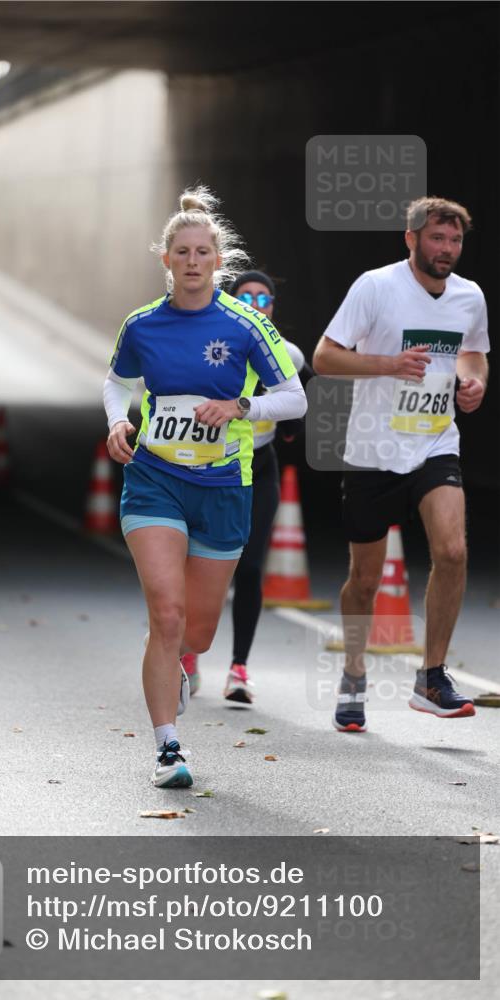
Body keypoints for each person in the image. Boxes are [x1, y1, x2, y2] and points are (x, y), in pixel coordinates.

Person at [104, 187, 307, 787]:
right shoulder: (142, 324)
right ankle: (168, 748)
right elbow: (116, 382)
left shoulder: (245, 326)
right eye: (181, 252)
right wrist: (119, 419)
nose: (192, 261)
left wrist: (241, 405)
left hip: (222, 485)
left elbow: (293, 397)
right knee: (166, 615)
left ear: (219, 261)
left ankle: (178, 662)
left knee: (196, 630)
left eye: (202, 252)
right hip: (154, 479)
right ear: (165, 259)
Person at [313, 196, 489, 731]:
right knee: (364, 580)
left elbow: (473, 351)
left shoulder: (468, 296)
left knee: (453, 550)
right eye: (436, 238)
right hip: (372, 447)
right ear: (410, 239)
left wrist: (475, 381)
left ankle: (431, 677)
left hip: (435, 441)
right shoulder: (376, 286)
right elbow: (324, 357)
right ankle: (353, 673)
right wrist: (389, 363)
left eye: (454, 240)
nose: (447, 250)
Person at [179, 270, 313, 705]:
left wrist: (291, 427)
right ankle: (189, 657)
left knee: (251, 567)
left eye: (264, 299)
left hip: (260, 465)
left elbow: (297, 416)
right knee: (203, 566)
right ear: (232, 303)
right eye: (246, 298)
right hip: (211, 465)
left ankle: (239, 668)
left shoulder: (289, 355)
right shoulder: (214, 347)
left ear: (273, 307)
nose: (256, 306)